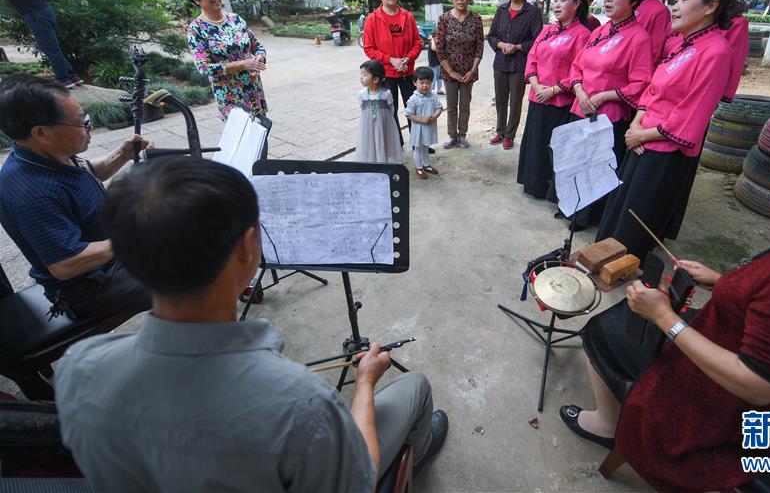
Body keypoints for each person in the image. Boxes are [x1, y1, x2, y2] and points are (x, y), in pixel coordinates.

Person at [54, 157, 449, 491]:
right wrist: (364, 383)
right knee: (416, 386)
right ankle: (413, 460)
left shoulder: (79, 367)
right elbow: (356, 482)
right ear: (248, 247)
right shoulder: (303, 405)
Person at [561, 108, 770, 492]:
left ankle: (608, 425)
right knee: (634, 317)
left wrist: (665, 318)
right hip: (768, 372)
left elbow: (758, 385)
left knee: (606, 327)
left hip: (728, 416)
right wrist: (724, 282)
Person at [594, 0, 734, 261]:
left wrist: (643, 134)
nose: (675, 6)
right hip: (641, 138)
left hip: (663, 149)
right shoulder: (683, 44)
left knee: (636, 219)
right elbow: (652, 89)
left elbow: (693, 112)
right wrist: (636, 123)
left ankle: (619, 267)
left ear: (710, 7)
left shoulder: (716, 52)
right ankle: (602, 260)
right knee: (621, 207)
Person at [0, 75, 151, 319]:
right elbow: (66, 265)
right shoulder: (33, 194)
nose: (88, 127)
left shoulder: (42, 153)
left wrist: (122, 154)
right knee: (196, 271)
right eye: (82, 122)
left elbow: (83, 173)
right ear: (41, 132)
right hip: (89, 286)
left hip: (105, 259)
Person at [558, 0, 655, 228]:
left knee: (595, 166)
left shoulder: (639, 38)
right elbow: (577, 66)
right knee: (574, 159)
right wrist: (580, 90)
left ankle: (586, 216)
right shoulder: (601, 32)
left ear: (634, 0)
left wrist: (604, 96)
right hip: (581, 107)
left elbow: (641, 83)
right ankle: (571, 206)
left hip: (607, 115)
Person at [516, 0, 591, 200]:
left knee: (551, 146)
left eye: (563, 0)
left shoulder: (582, 35)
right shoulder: (547, 30)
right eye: (555, 0)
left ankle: (546, 189)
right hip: (538, 96)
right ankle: (531, 183)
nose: (557, 4)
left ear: (577, 4)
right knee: (534, 142)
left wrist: (554, 90)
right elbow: (532, 57)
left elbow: (579, 70)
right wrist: (536, 85)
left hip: (558, 102)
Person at [182, 0, 268, 120]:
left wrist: (259, 57)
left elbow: (258, 47)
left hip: (253, 90)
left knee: (260, 132)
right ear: (196, 0)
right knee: (240, 133)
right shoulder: (196, 29)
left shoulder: (236, 20)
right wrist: (242, 64)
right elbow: (204, 68)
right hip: (230, 96)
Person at [0, 0, 82, 88]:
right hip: (44, 10)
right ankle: (71, 75)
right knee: (54, 48)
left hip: (35, 13)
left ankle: (63, 80)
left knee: (50, 49)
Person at [363, 0, 424, 146]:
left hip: (407, 71)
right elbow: (369, 48)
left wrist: (408, 58)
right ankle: (397, 144)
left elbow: (418, 42)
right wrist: (390, 60)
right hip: (386, 73)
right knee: (391, 110)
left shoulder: (407, 16)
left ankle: (418, 143)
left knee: (414, 107)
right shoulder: (372, 20)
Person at [486, 0, 544, 150]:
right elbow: (491, 35)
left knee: (516, 102)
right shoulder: (501, 10)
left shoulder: (532, 12)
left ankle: (509, 135)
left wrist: (518, 47)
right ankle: (500, 132)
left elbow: (537, 40)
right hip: (500, 63)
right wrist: (501, 44)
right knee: (500, 100)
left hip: (519, 65)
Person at [692, 0, 749, 101]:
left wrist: (719, 98)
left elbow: (733, 65)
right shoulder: (687, 15)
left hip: (699, 95)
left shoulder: (736, 23)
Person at [435, 0, 484, 150]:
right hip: (449, 71)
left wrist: (473, 70)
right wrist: (450, 71)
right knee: (451, 106)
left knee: (465, 105)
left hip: (469, 72)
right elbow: (439, 48)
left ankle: (462, 135)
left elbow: (479, 47)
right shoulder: (444, 19)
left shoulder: (476, 19)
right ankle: (452, 136)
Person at [356, 60, 403, 163]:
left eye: (364, 75)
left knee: (383, 142)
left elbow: (391, 109)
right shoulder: (362, 94)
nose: (361, 77)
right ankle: (373, 163)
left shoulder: (386, 94)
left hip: (384, 123)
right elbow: (362, 108)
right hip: (368, 124)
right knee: (370, 142)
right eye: (361, 74)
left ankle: (383, 162)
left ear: (376, 79)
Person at [404, 67, 444, 179]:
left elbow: (439, 107)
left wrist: (434, 116)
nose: (425, 86)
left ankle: (426, 165)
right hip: (418, 129)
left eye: (428, 83)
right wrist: (422, 120)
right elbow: (408, 114)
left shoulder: (434, 96)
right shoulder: (413, 99)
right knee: (418, 148)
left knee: (426, 147)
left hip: (429, 127)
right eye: (421, 83)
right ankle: (419, 168)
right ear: (414, 83)